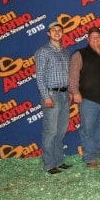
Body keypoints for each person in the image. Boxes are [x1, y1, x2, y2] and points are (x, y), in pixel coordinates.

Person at [69, 27, 100, 168]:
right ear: (88, 39)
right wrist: (75, 92)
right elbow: (73, 74)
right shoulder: (80, 54)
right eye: (92, 37)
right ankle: (90, 158)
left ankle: (95, 153)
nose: (95, 39)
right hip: (88, 98)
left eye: (97, 37)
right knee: (88, 129)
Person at [34, 21, 72, 174]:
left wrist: (69, 92)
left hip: (64, 94)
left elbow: (68, 75)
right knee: (51, 131)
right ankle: (49, 164)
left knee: (61, 130)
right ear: (48, 33)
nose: (57, 32)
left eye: (59, 30)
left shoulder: (65, 52)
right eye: (53, 30)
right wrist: (46, 97)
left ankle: (58, 161)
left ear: (62, 33)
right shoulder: (43, 51)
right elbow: (40, 76)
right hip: (51, 95)